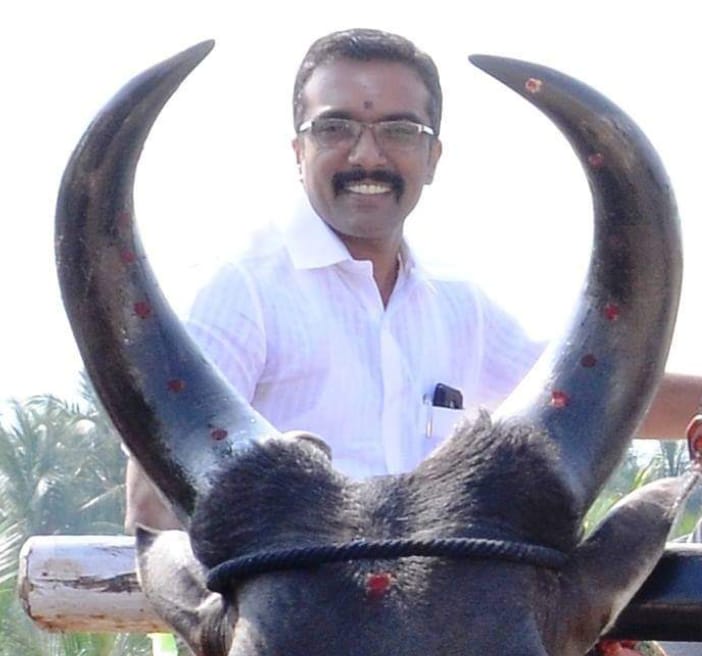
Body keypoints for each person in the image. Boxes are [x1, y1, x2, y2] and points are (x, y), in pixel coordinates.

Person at [125, 27, 702, 533]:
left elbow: (594, 391)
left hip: (439, 608)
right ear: (298, 152)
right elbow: (157, 498)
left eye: (400, 130)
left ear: (433, 158)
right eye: (335, 127)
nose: (366, 156)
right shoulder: (241, 290)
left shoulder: (457, 305)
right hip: (290, 611)